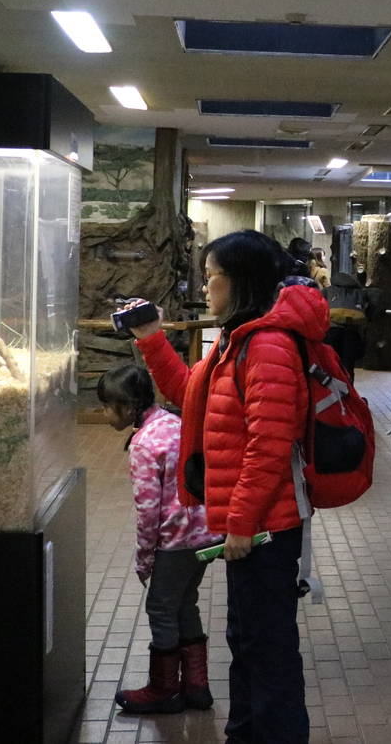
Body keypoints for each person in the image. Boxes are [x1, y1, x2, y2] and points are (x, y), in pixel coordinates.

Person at [128, 230, 320, 742]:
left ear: (240, 282)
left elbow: (270, 446)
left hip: (265, 528)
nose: (206, 287)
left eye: (212, 277)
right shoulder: (238, 339)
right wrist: (150, 336)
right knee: (247, 639)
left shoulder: (269, 345)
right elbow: (190, 395)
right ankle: (245, 733)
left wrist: (240, 522)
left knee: (268, 645)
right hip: (247, 525)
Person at [99, 364, 215, 714]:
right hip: (204, 536)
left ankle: (165, 689)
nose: (104, 413)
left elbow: (148, 512)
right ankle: (197, 688)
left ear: (127, 406)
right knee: (185, 604)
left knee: (160, 607)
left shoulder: (144, 444)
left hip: (175, 541)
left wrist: (144, 559)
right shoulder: (173, 422)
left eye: (107, 406)